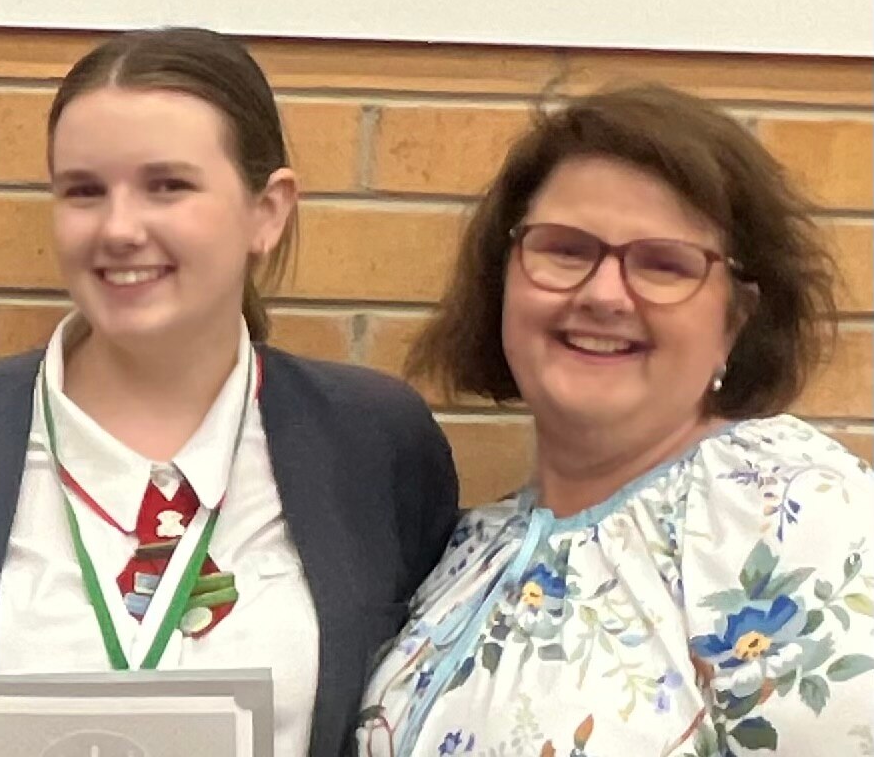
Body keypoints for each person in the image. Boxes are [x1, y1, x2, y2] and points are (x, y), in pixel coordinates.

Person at [0, 27, 459, 757]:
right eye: (84, 191)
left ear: (267, 211)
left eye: (167, 186)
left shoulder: (375, 445)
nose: (119, 229)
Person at [356, 85, 874, 756]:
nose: (604, 294)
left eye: (663, 264)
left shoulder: (795, 518)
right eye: (565, 250)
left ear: (736, 320)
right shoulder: (469, 552)